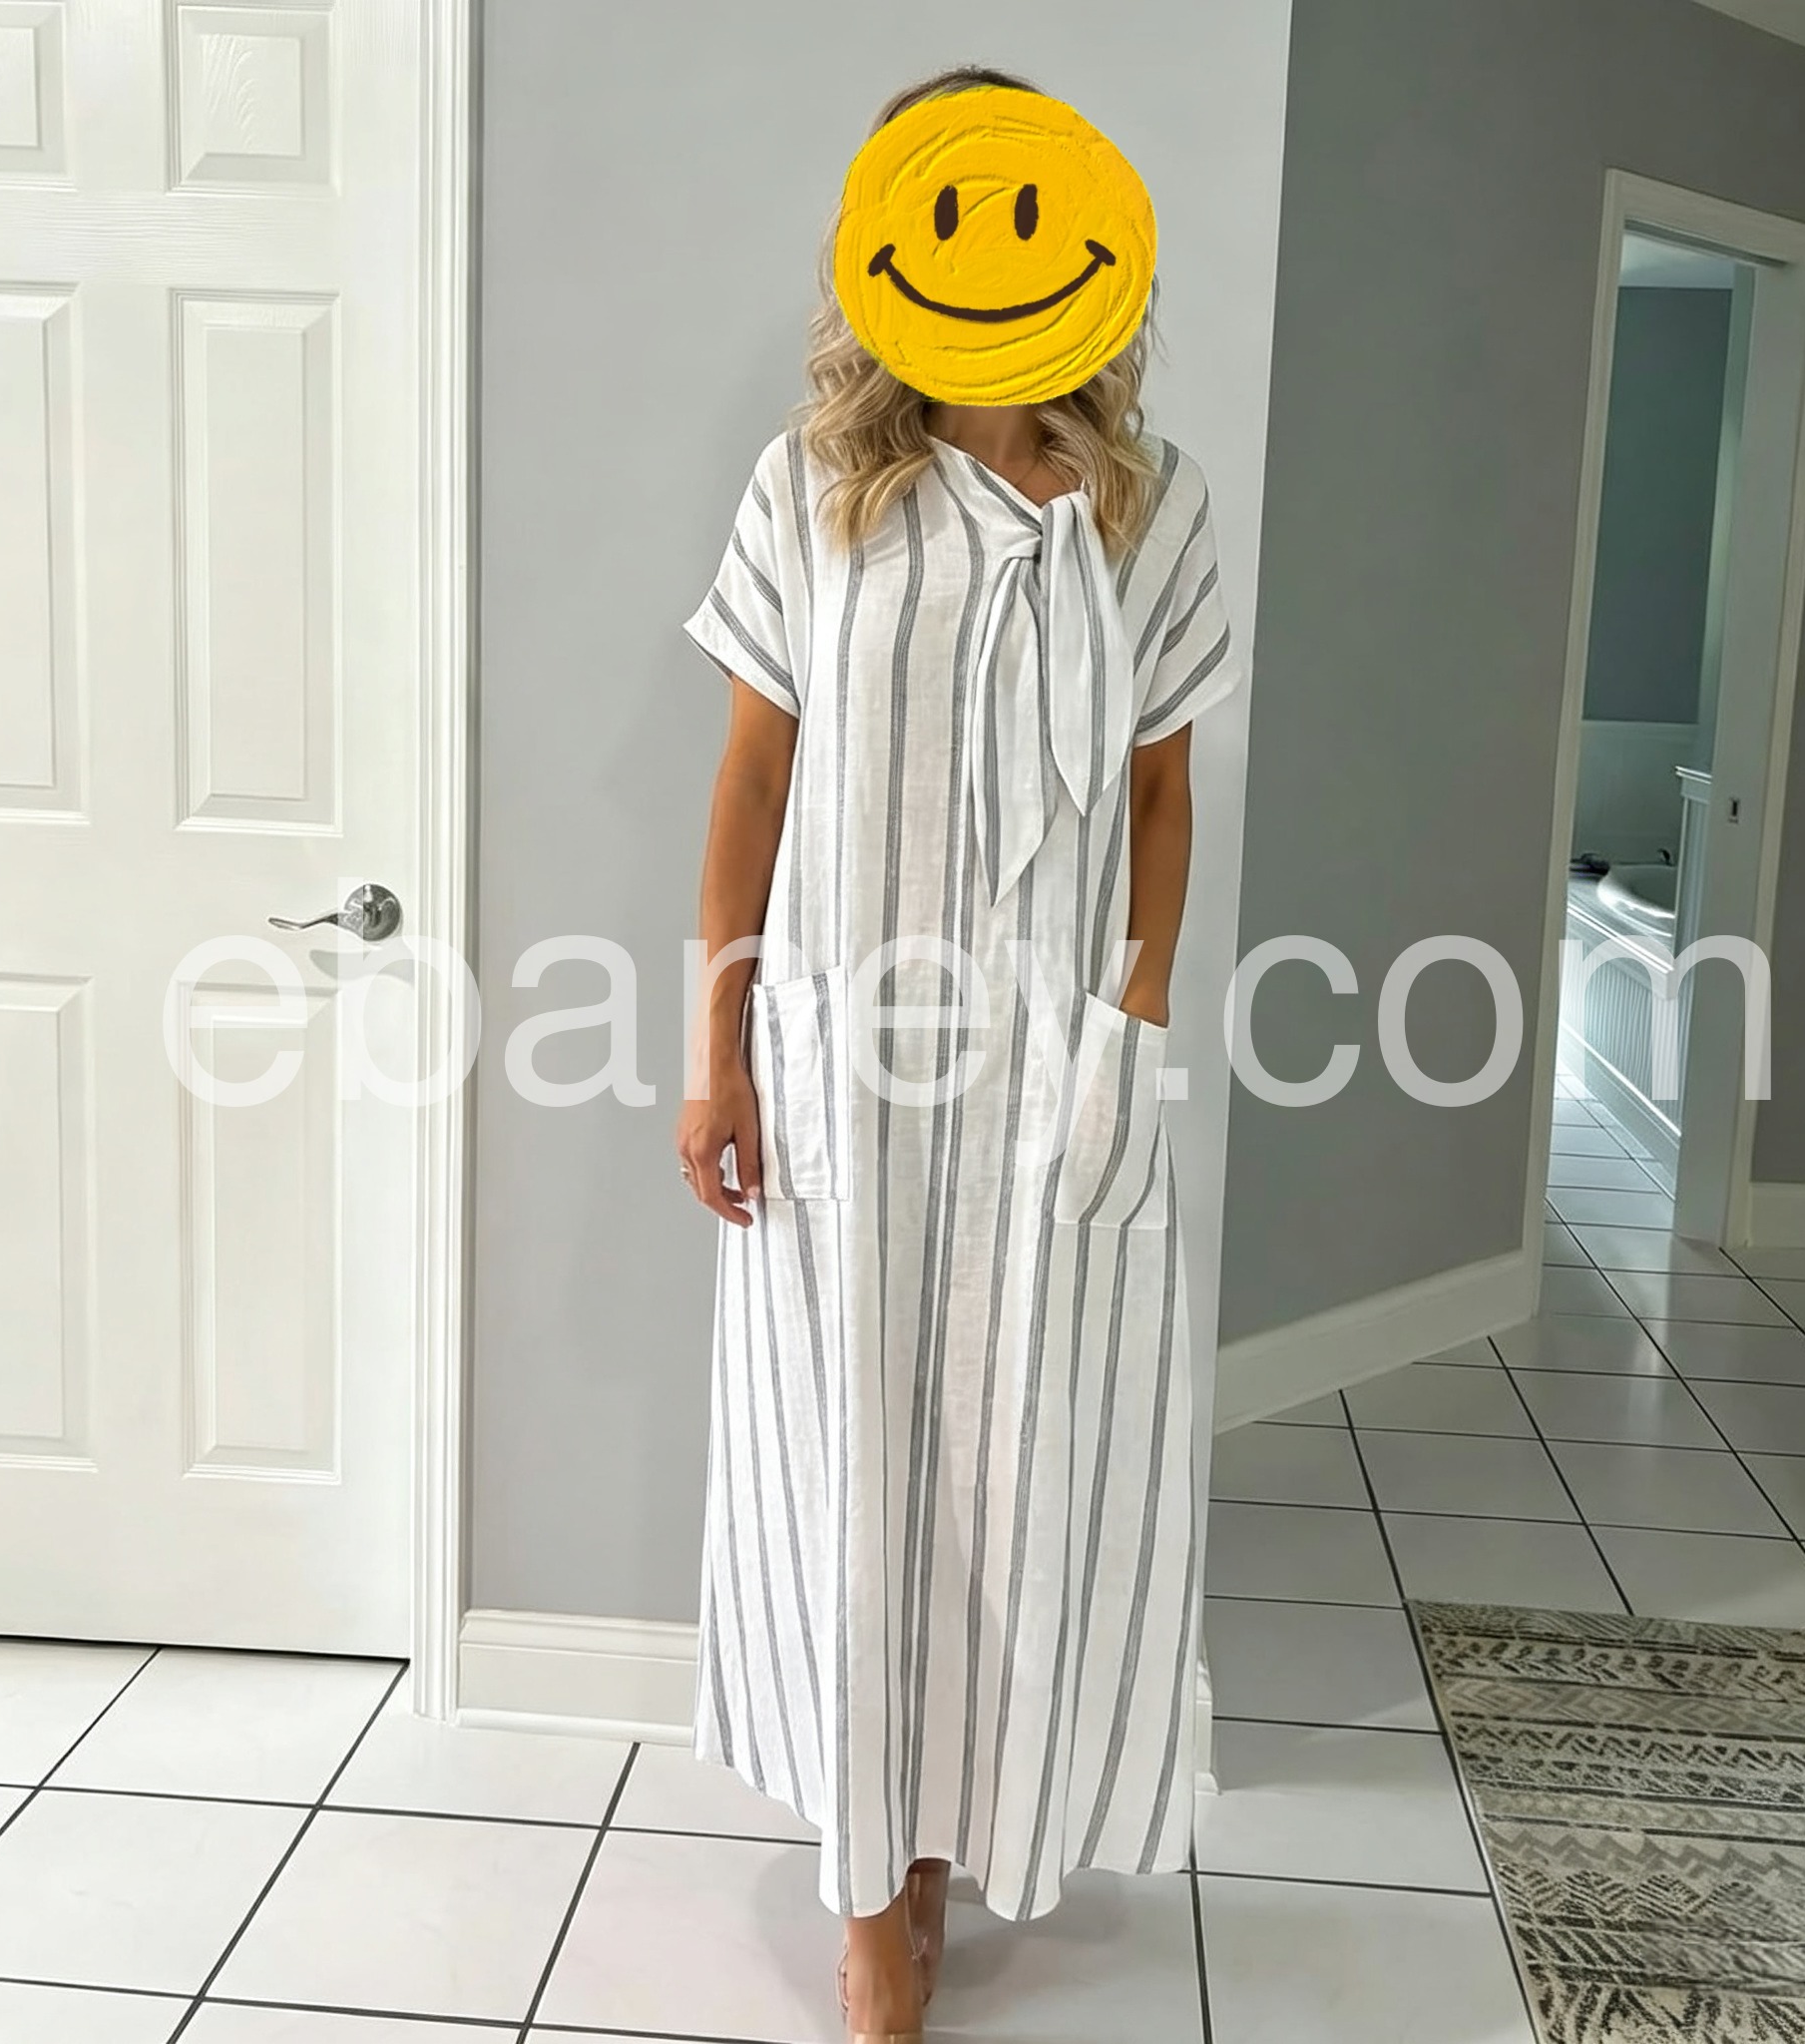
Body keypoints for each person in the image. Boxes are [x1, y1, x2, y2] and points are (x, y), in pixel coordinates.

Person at [674, 64, 1242, 2044]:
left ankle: (951, 1838)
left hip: (1041, 1071)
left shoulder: (1149, 511)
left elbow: (1159, 793)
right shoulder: (810, 489)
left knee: (1012, 1467)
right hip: (844, 1058)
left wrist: (1130, 1031)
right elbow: (755, 777)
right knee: (855, 1468)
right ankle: (865, 1891)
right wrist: (717, 1045)